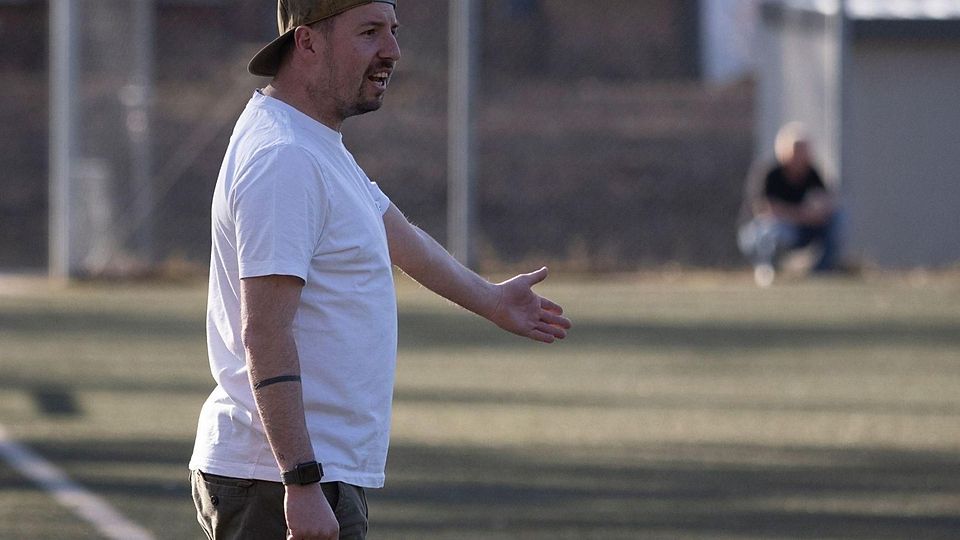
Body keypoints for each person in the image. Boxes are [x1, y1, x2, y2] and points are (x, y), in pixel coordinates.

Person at [187, 1, 573, 539]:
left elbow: (397, 235)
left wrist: (491, 299)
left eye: (392, 31)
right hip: (277, 480)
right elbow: (265, 332)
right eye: (369, 32)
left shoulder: (312, 141)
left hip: (304, 474)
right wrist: (301, 482)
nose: (391, 51)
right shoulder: (285, 157)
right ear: (307, 44)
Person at [738, 122, 842, 286]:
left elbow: (827, 201)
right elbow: (765, 210)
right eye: (796, 151)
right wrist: (803, 215)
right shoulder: (770, 173)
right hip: (760, 235)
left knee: (840, 217)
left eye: (804, 151)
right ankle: (766, 269)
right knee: (770, 228)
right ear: (784, 151)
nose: (800, 156)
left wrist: (819, 211)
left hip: (800, 230)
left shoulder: (812, 173)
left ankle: (822, 271)